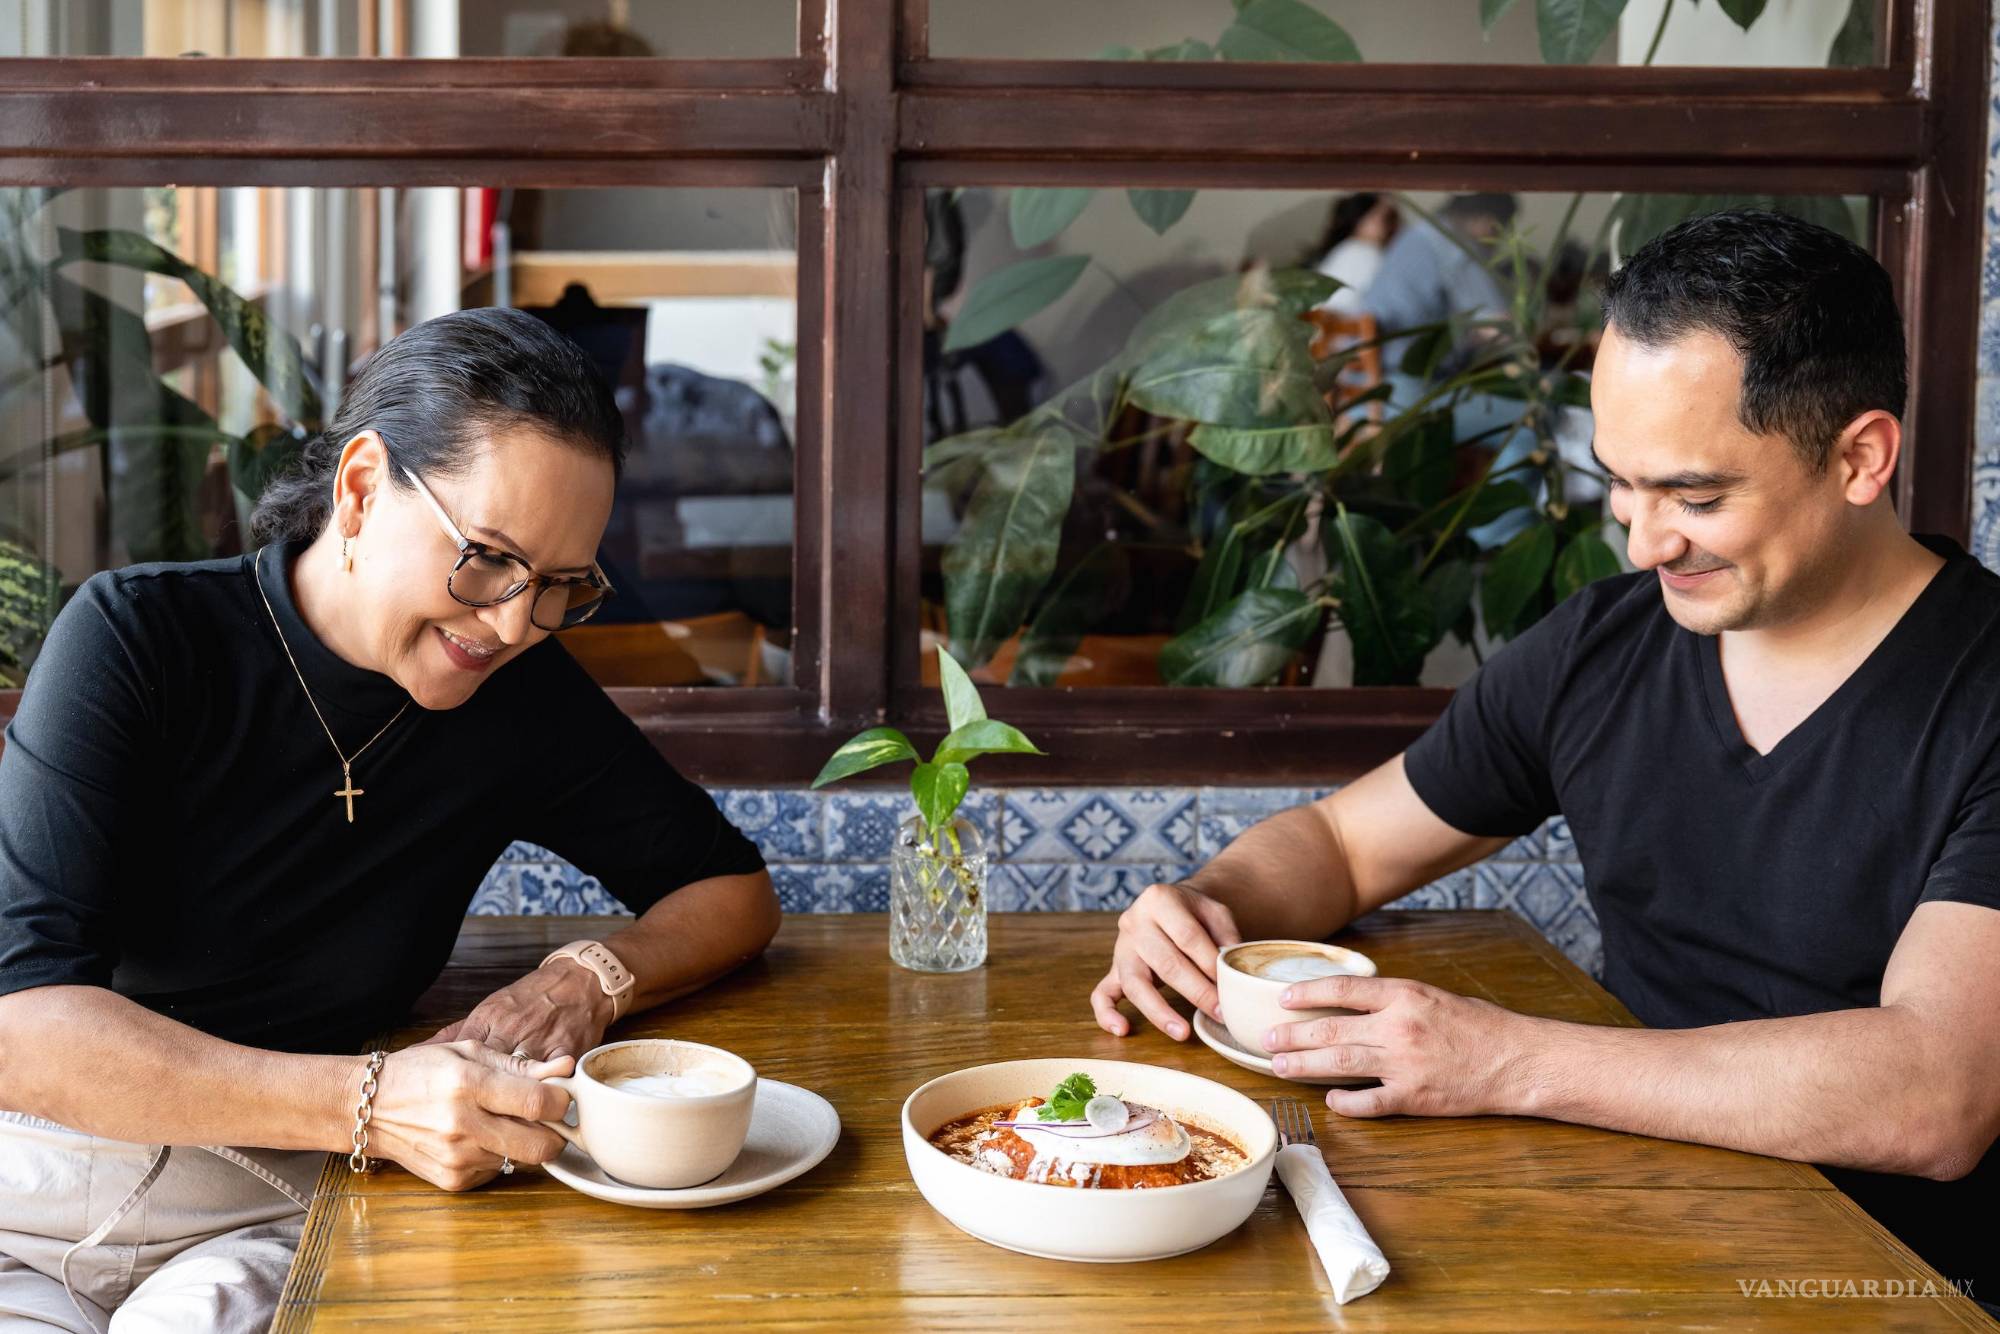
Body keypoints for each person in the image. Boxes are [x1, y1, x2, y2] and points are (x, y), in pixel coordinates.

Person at [1087, 209, 1999, 1304]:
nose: (1641, 540)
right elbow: (1338, 841)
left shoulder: (1981, 689)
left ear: (1858, 457)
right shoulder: (1604, 644)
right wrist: (1203, 906)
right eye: (1618, 481)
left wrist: (1504, 1058)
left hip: (1889, 1287)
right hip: (1621, 1224)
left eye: (1694, 496)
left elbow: (1934, 1092)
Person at [0, 308, 782, 1331]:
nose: (511, 621)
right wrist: (370, 1101)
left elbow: (732, 890)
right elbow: (23, 1024)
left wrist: (585, 978)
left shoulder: (518, 692)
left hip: (276, 1203)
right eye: (489, 558)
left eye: (558, 587)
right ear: (363, 486)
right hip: (41, 1172)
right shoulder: (140, 638)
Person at [1310, 192, 1399, 316]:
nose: (1392, 226)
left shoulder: (1346, 249)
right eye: (1384, 218)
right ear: (1360, 221)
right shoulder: (1365, 252)